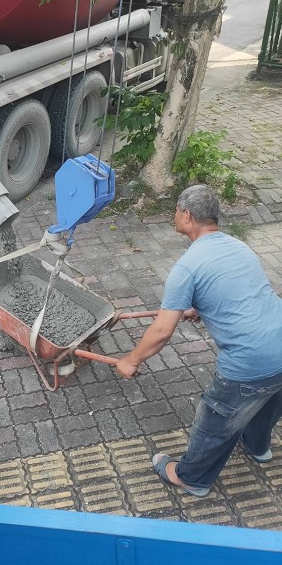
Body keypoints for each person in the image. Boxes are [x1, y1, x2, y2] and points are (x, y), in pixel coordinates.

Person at [116, 184, 282, 497]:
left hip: (250, 360)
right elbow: (242, 295)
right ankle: (258, 447)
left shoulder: (187, 267)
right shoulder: (238, 246)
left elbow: (162, 331)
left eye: (176, 212)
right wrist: (201, 305)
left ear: (187, 216)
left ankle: (191, 478)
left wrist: (131, 359)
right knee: (268, 397)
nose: (174, 216)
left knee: (217, 418)